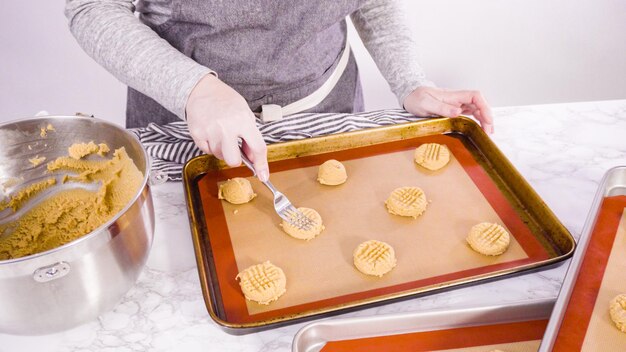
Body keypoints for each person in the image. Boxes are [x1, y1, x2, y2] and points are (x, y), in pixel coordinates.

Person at [65, 0, 493, 182]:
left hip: (328, 110)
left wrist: (411, 82)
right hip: (185, 122)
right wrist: (195, 89)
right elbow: (94, 7)